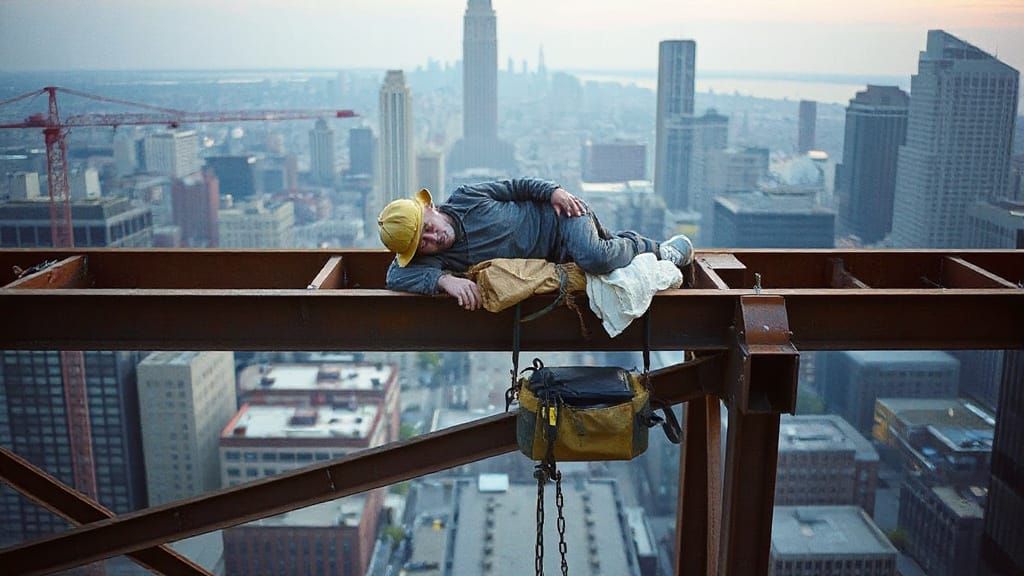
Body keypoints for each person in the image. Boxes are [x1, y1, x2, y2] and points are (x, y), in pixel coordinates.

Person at [377, 178, 693, 310]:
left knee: (594, 257)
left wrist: (553, 191)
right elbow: (394, 277)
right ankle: (620, 247)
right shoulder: (439, 262)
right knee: (597, 261)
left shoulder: (466, 198)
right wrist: (443, 279)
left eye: (428, 228)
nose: (434, 239)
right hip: (554, 257)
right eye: (424, 244)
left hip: (560, 216)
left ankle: (652, 248)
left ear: (430, 208)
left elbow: (516, 187)